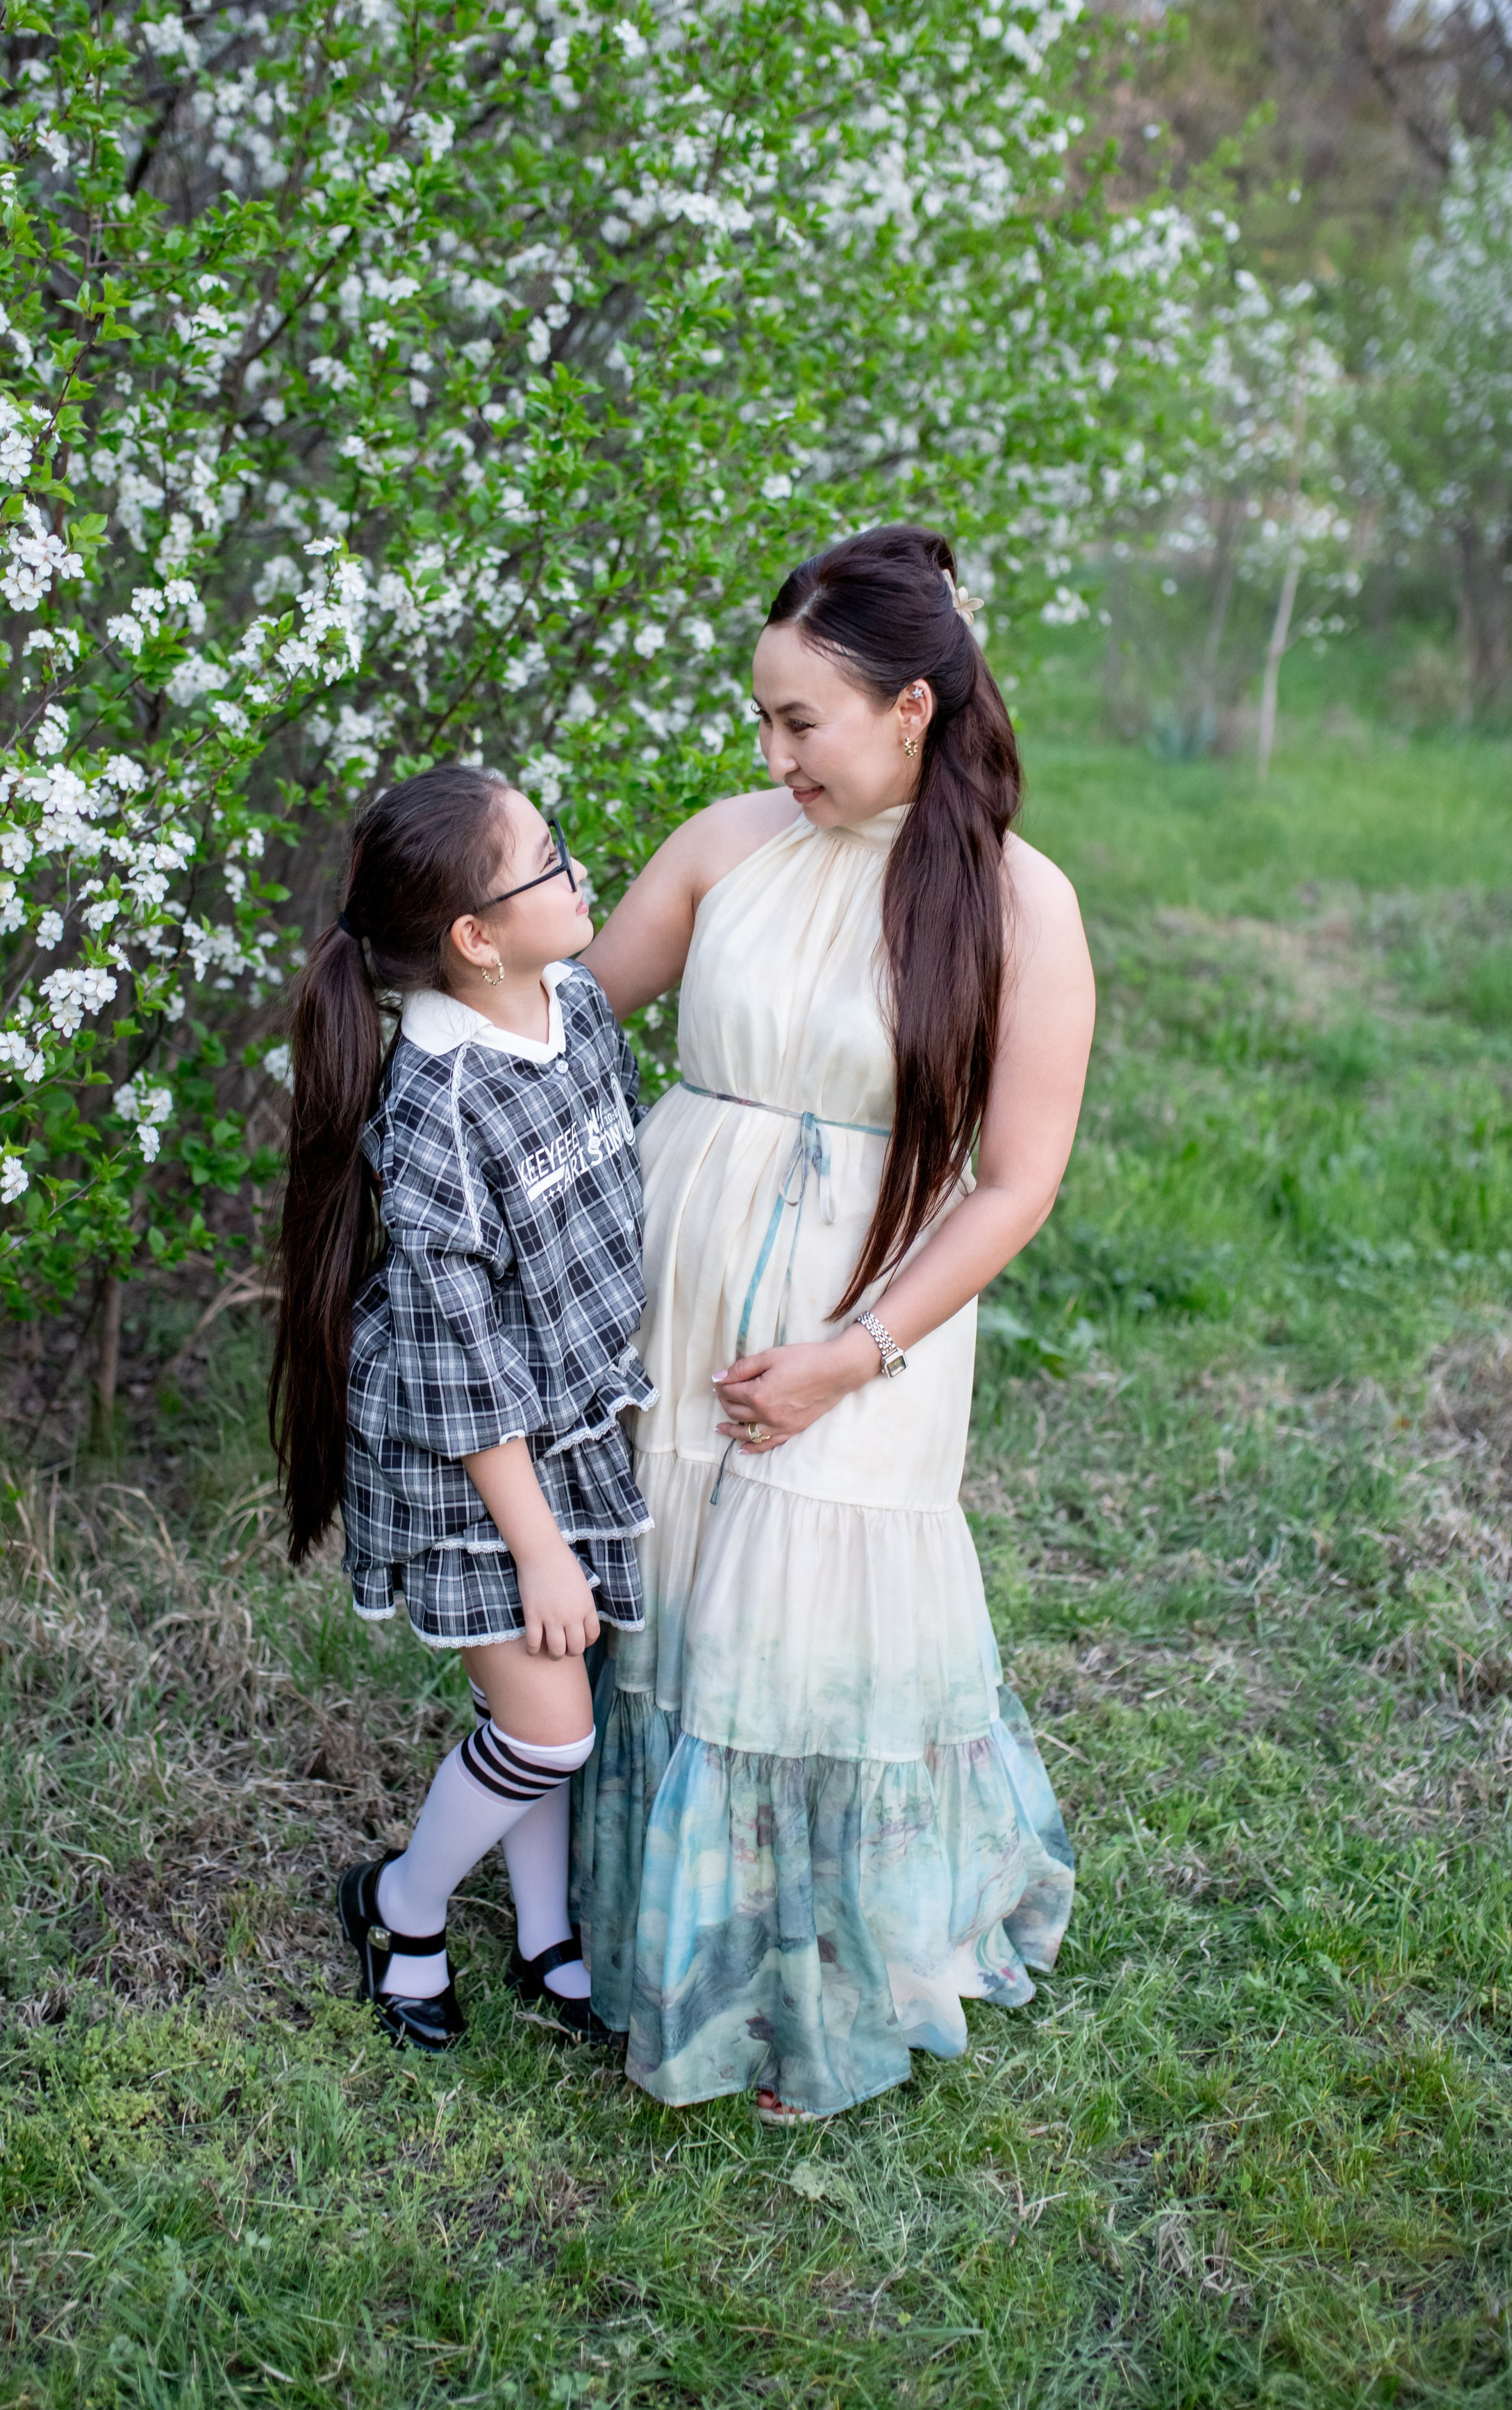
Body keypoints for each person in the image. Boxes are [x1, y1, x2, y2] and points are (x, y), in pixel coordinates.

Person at [576, 523, 1096, 2122]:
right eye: (762, 719)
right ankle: (659, 1933)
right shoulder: (727, 844)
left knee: (796, 1629)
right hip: (674, 1291)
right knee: (678, 1598)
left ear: (909, 708)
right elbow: (573, 1021)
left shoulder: (1017, 905)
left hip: (866, 1320)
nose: (772, 754)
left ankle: (809, 1985)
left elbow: (1014, 1183)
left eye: (800, 720)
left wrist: (848, 1354)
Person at [269, 764, 654, 2051]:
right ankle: (402, 1905)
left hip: (565, 1415)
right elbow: (464, 1366)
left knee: (544, 1696)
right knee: (552, 1731)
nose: (577, 870)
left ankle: (545, 1938)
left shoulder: (575, 1003)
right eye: (548, 860)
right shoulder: (436, 1108)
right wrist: (539, 1547)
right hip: (467, 1453)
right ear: (476, 940)